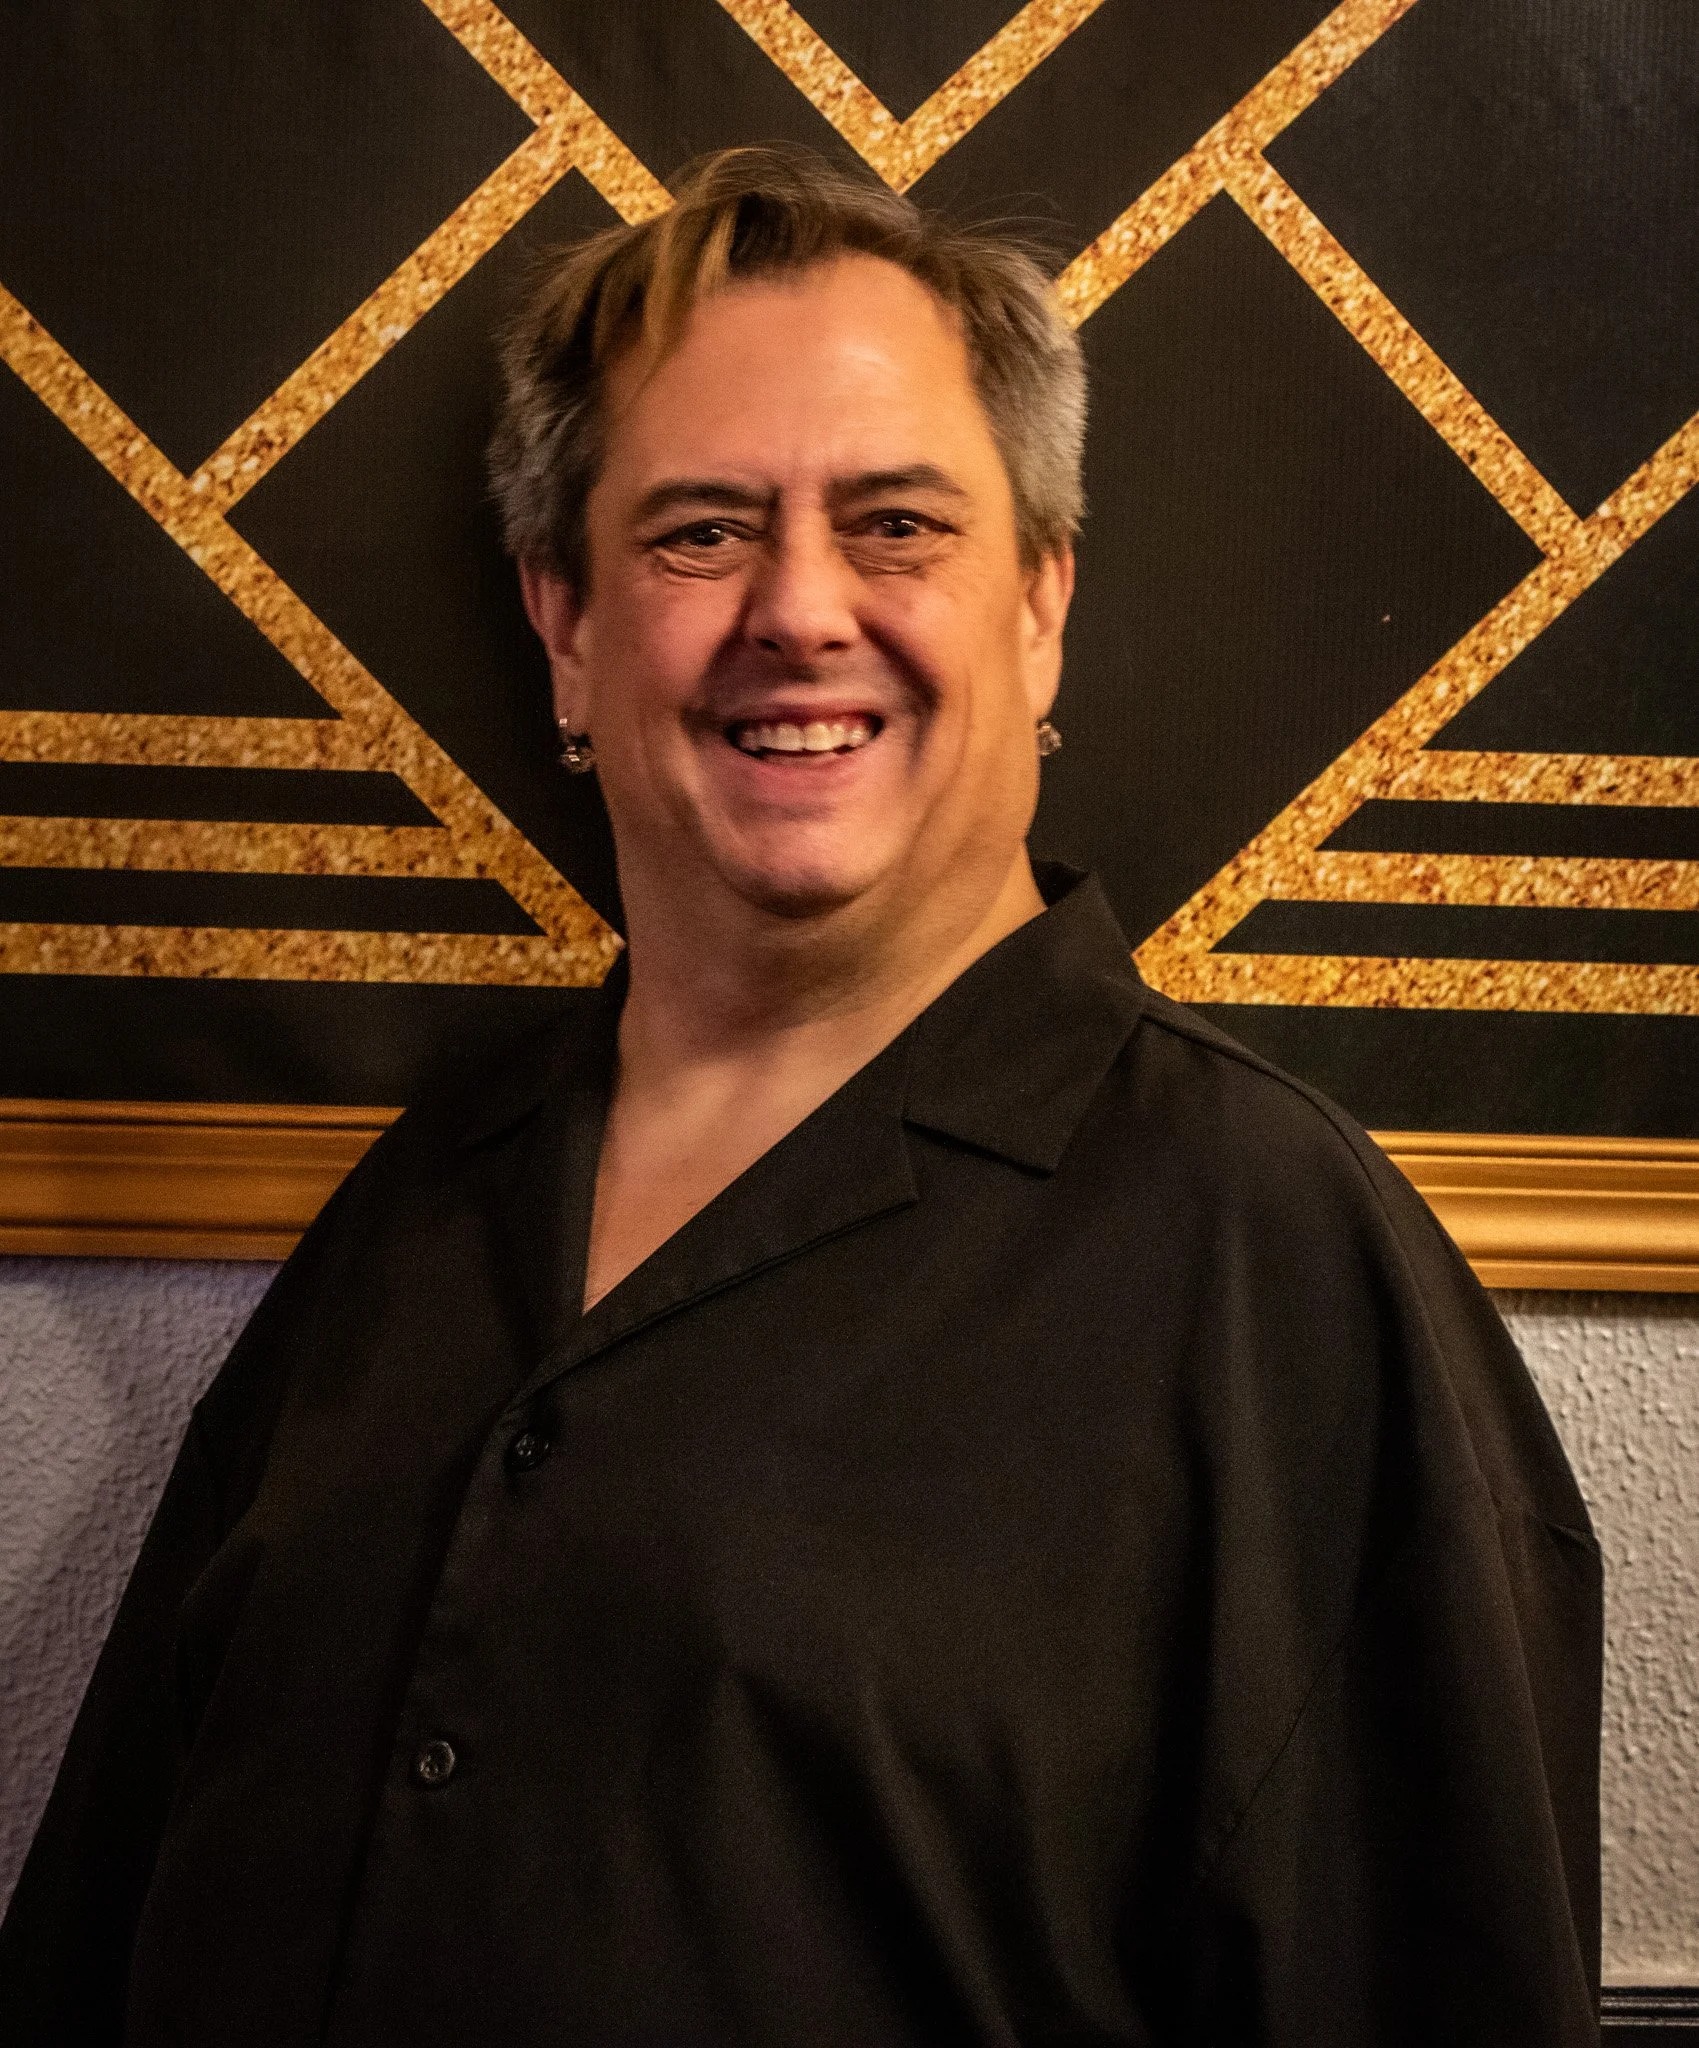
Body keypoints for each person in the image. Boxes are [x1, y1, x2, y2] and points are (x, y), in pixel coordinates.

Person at [0, 147, 1601, 2046]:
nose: (800, 610)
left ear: (1039, 604)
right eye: (698, 532)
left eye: (896, 524)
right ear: (565, 623)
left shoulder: (1286, 1267)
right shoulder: (419, 1209)